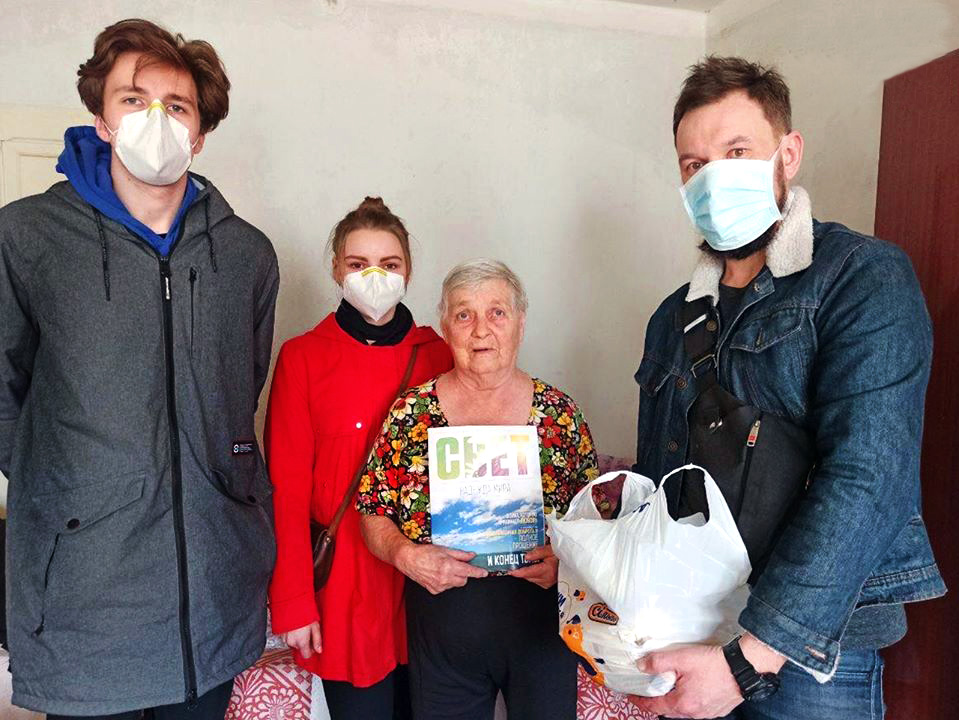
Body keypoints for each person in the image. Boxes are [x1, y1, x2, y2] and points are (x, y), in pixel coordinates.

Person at [629, 56, 945, 720]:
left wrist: (750, 657)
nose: (710, 176)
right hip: (690, 635)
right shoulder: (670, 318)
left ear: (787, 154)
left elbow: (869, 478)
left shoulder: (861, 278)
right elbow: (660, 487)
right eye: (692, 164)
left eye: (734, 150)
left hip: (810, 656)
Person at [0, 19, 279, 718]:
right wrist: (64, 484)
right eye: (133, 99)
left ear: (200, 132)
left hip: (210, 598)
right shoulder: (28, 237)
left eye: (176, 106)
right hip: (88, 597)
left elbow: (238, 387)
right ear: (100, 117)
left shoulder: (245, 254)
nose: (155, 119)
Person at [358, 259, 598, 720]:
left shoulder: (559, 414)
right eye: (464, 314)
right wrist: (405, 555)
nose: (481, 329)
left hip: (541, 626)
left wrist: (567, 561)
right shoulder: (412, 413)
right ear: (445, 327)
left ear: (521, 324)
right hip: (443, 633)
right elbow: (371, 510)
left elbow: (595, 520)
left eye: (497, 313)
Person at [265, 197, 453, 720]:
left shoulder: (439, 355)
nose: (374, 276)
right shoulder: (304, 357)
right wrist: (295, 601)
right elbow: (286, 488)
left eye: (389, 265)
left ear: (408, 271)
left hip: (429, 586)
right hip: (348, 589)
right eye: (357, 264)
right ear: (336, 269)